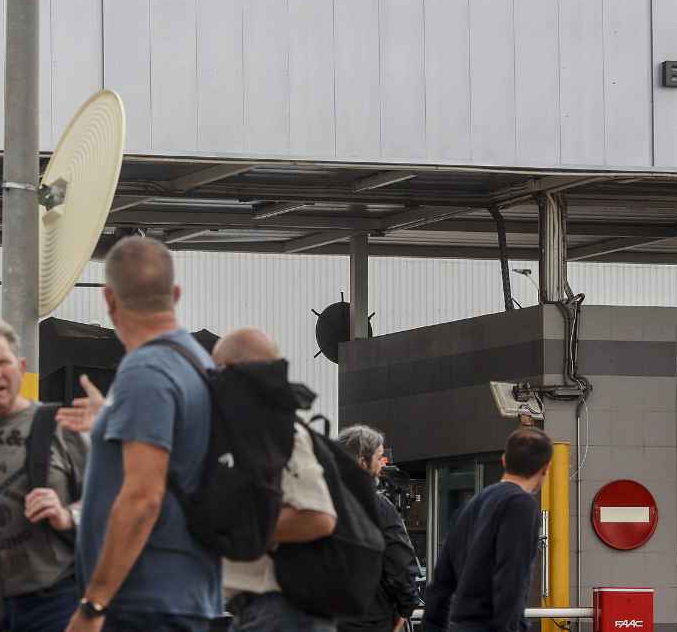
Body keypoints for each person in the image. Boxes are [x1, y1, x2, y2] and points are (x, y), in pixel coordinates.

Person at [67, 236, 221, 632]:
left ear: (109, 299)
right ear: (176, 293)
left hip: (146, 600)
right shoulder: (196, 361)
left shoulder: (146, 372)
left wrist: (93, 605)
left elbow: (142, 498)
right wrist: (110, 417)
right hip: (185, 591)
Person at [0, 319, 89, 632]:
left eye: (2, 362)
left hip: (55, 600)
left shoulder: (60, 426)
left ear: (21, 367)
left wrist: (67, 515)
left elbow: (106, 503)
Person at [214, 328, 337, 632]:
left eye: (215, 370)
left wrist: (234, 528)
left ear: (233, 370)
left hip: (282, 611)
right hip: (260, 611)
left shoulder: (280, 433)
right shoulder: (253, 434)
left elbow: (318, 518)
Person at [421, 427, 552, 632]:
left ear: (504, 460)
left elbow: (442, 579)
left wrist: (432, 626)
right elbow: (511, 575)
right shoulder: (520, 504)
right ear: (546, 468)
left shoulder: (473, 503)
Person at [337, 425, 420, 632]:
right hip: (370, 619)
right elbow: (399, 561)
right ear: (362, 461)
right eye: (378, 457)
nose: (382, 465)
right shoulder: (378, 506)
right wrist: (406, 607)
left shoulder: (315, 502)